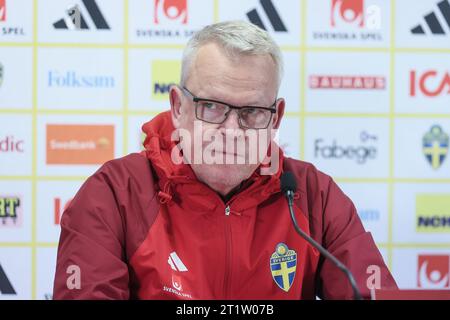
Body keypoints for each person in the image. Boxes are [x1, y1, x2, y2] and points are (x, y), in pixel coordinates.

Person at [53, 21, 397, 300]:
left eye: (251, 112)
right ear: (178, 107)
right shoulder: (114, 194)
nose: (232, 131)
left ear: (275, 118)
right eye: (212, 107)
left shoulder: (313, 195)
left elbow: (375, 294)